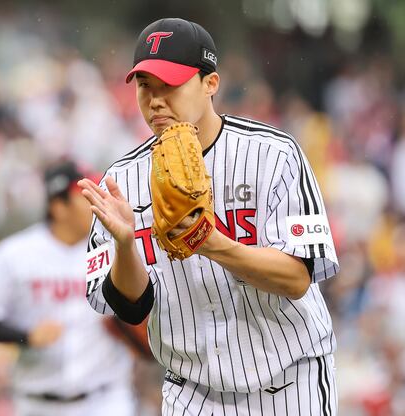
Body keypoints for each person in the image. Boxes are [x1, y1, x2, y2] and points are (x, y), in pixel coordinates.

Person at [78, 18, 340, 415]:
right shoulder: (121, 181)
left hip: (289, 381)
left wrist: (210, 242)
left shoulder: (273, 154)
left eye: (170, 84)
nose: (156, 100)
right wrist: (125, 246)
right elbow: (131, 308)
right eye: (145, 86)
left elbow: (296, 278)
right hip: (192, 391)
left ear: (210, 83)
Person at [0, 161, 136, 416]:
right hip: (38, 403)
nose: (97, 201)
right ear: (58, 207)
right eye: (85, 197)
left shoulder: (115, 249)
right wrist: (25, 336)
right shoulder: (12, 254)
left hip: (107, 400)